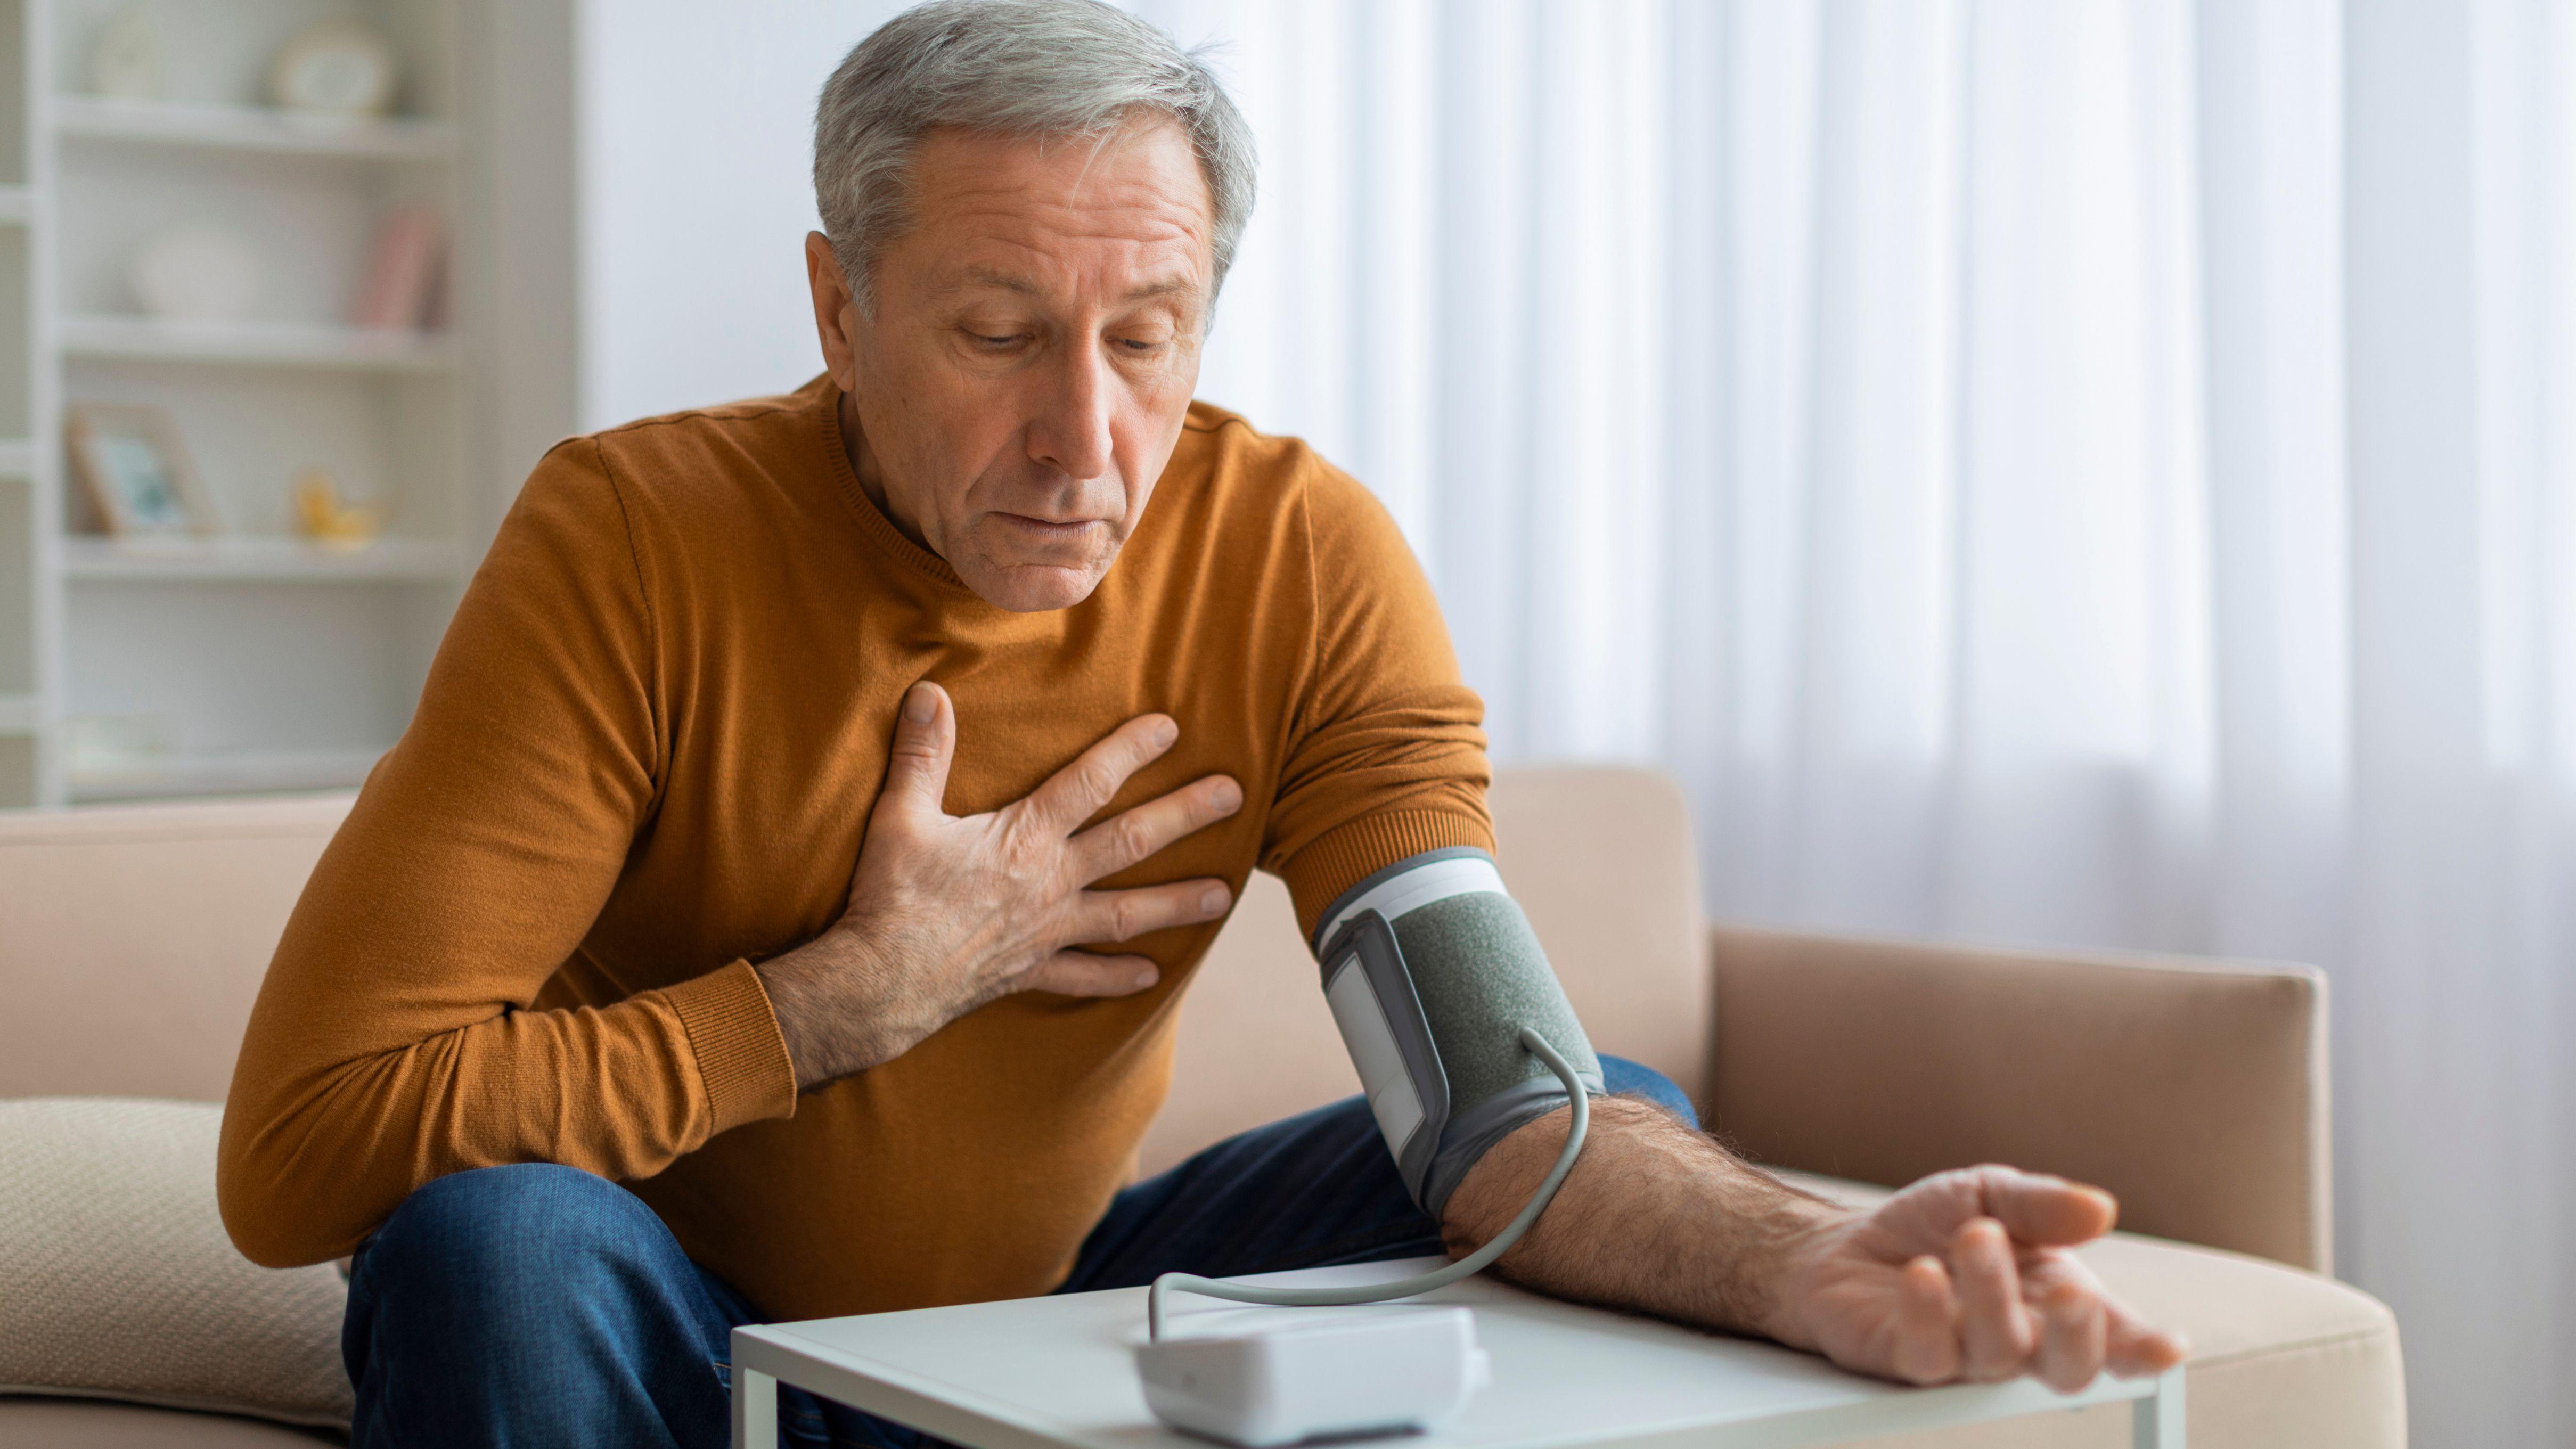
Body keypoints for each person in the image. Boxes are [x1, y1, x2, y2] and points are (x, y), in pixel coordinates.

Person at [216, 3, 2186, 1445]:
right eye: (999, 335)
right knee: (491, 1246)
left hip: (1051, 1315)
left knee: (1623, 1118)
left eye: (1147, 335)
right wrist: (833, 1003)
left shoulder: (1300, 558)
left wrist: (1806, 1258)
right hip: (664, 1328)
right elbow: (301, 1153)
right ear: (840, 309)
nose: (1090, 440)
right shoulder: (631, 539)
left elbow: (1496, 1097)